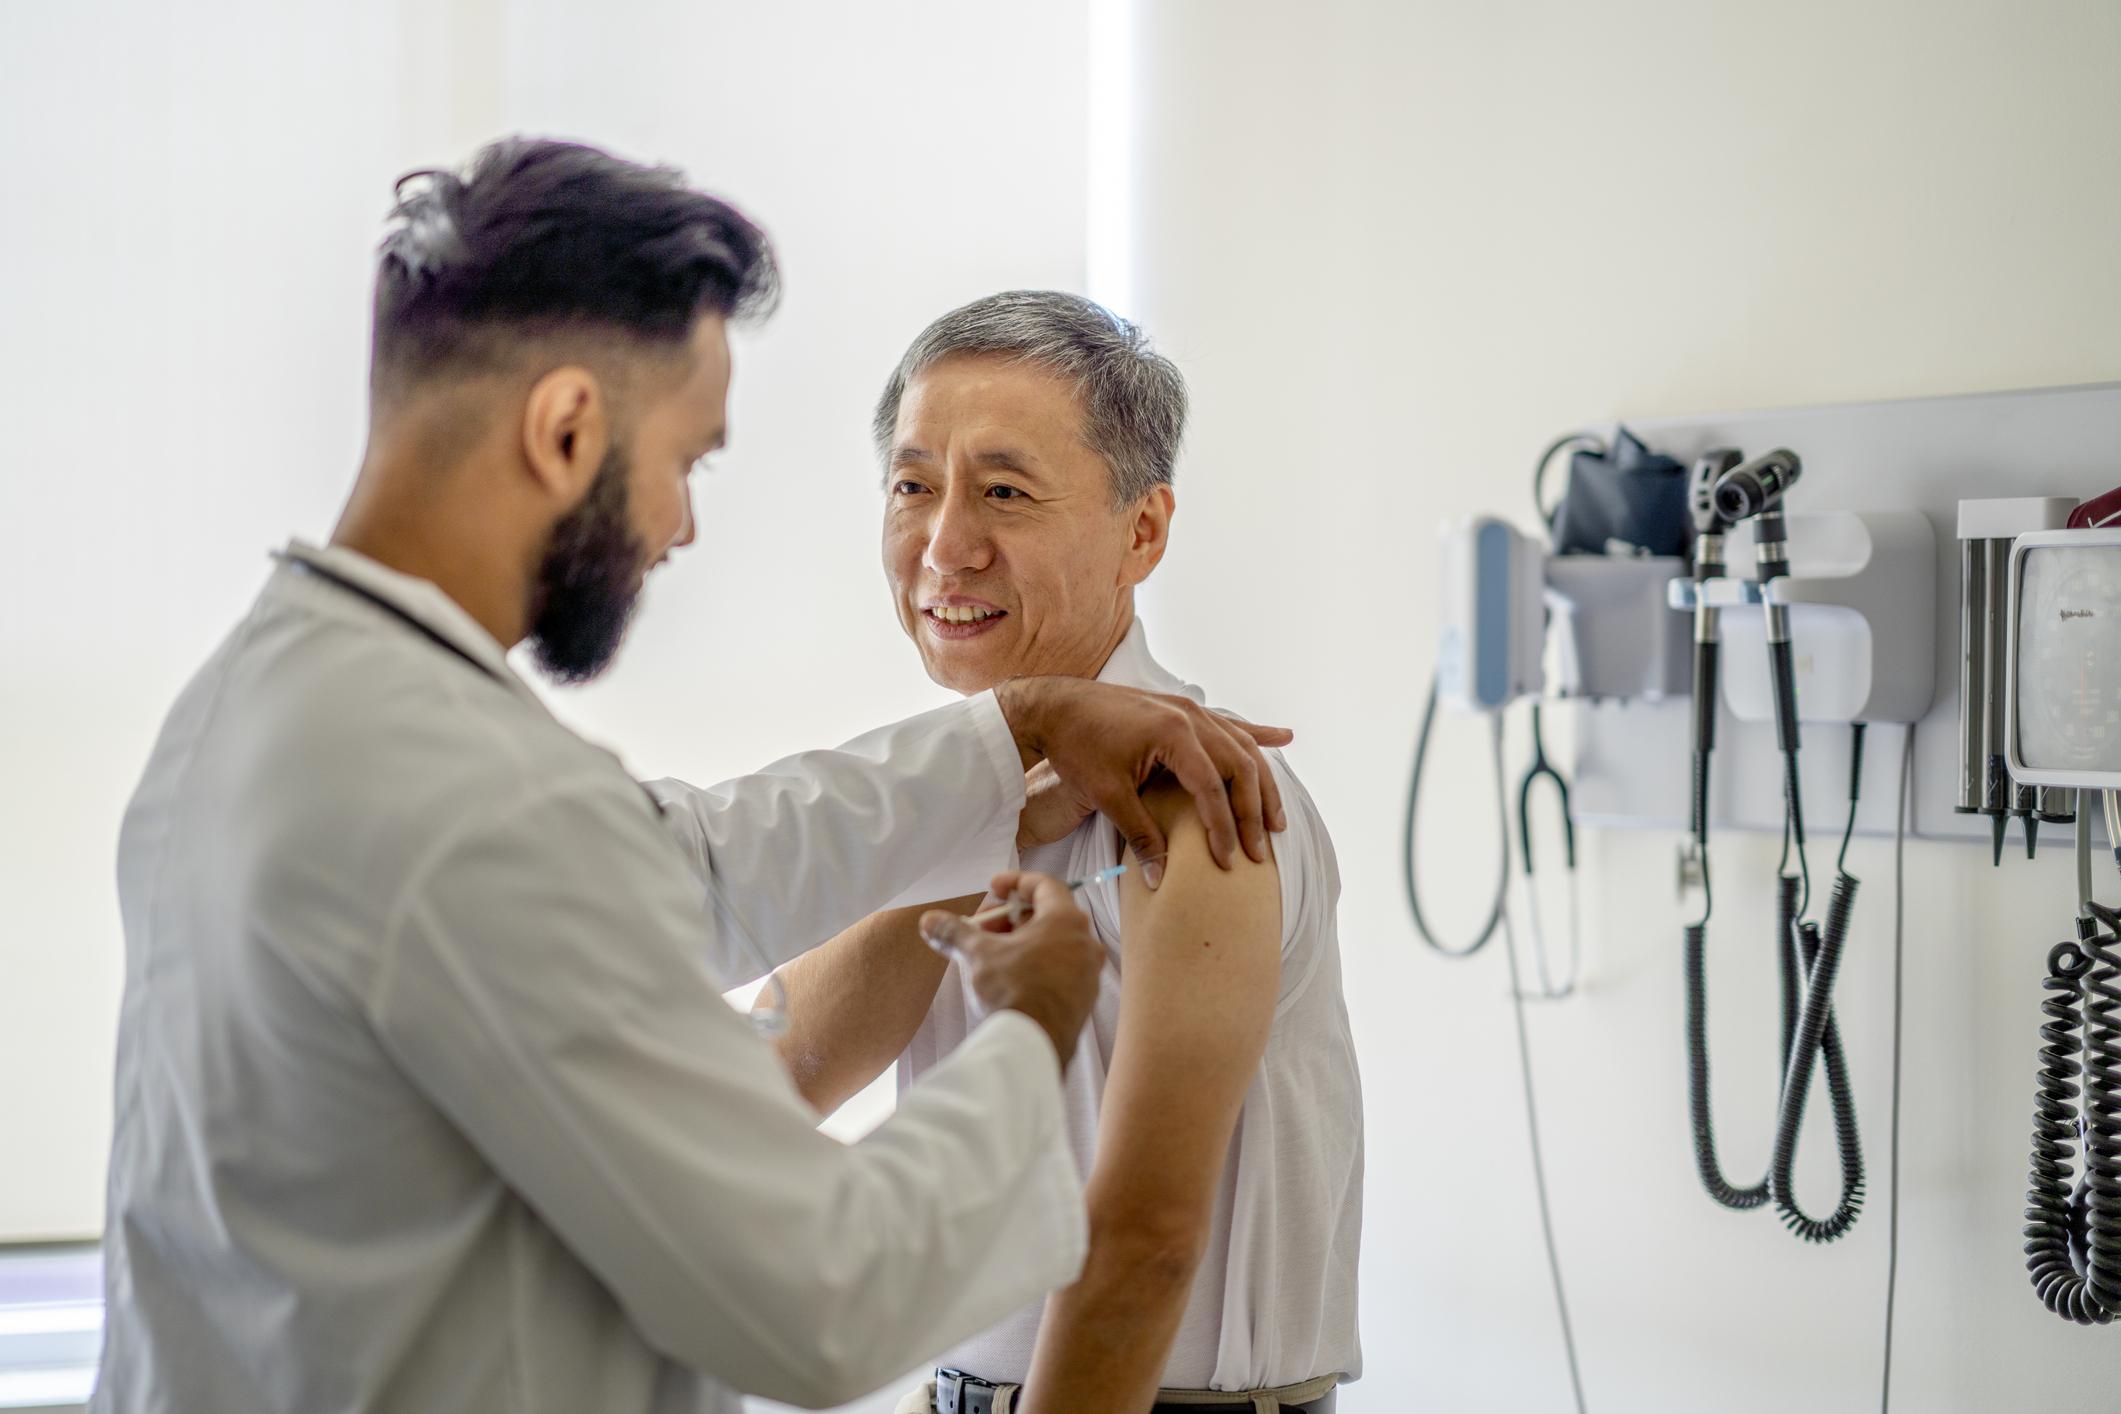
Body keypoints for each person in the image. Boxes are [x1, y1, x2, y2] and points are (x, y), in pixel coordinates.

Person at [92, 141, 1295, 1414]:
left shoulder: (257, 707)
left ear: (1144, 527)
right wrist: (1028, 1025)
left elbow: (693, 862)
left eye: (1004, 489)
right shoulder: (470, 806)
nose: (682, 524)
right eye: (685, 460)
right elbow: (824, 1294)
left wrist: (1018, 732)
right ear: (566, 430)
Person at [765, 292, 1362, 1414]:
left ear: (1143, 531)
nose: (946, 545)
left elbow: (1145, 1245)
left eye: (1004, 491)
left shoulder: (1206, 799)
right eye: (912, 486)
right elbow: (758, 1094)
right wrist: (980, 822)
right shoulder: (941, 808)